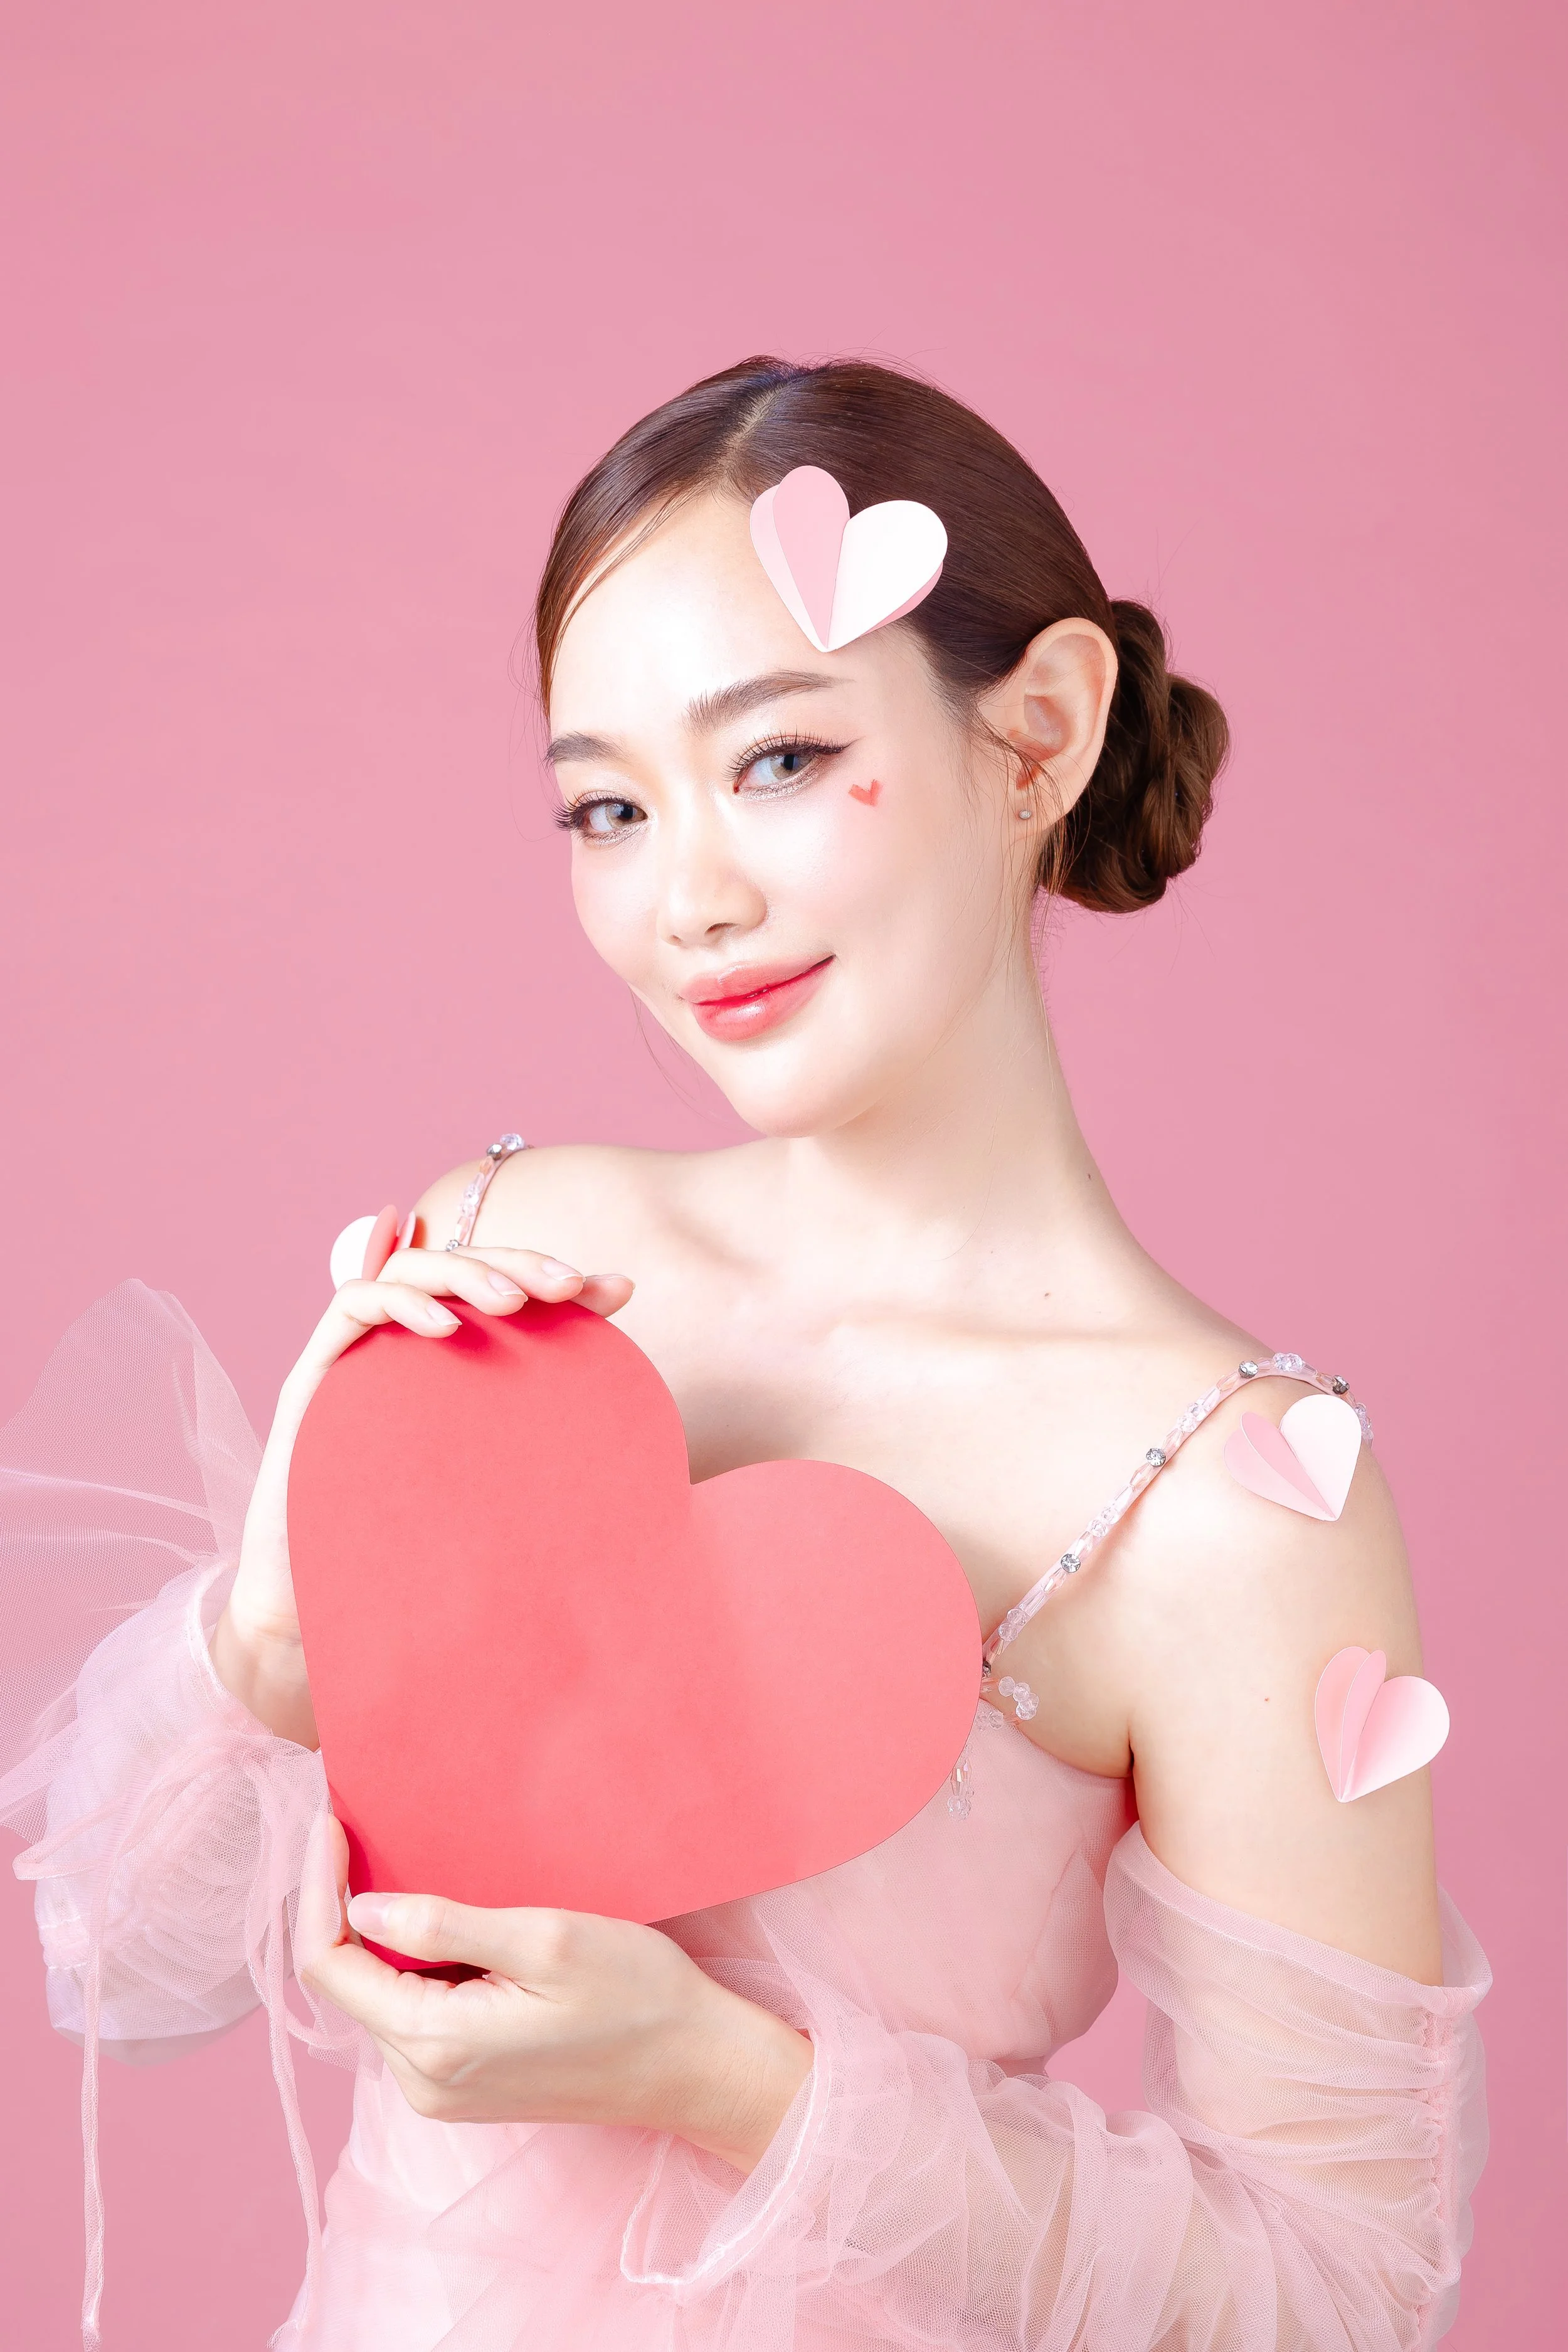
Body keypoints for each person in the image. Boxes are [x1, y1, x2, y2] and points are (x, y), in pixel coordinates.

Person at [1, 357, 1487, 2351]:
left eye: (777, 760)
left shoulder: (1230, 1494)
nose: (685, 899)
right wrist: (272, 1628)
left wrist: (716, 2079)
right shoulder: (512, 1264)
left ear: (1037, 730)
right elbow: (120, 1956)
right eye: (608, 805)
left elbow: (1332, 2299)